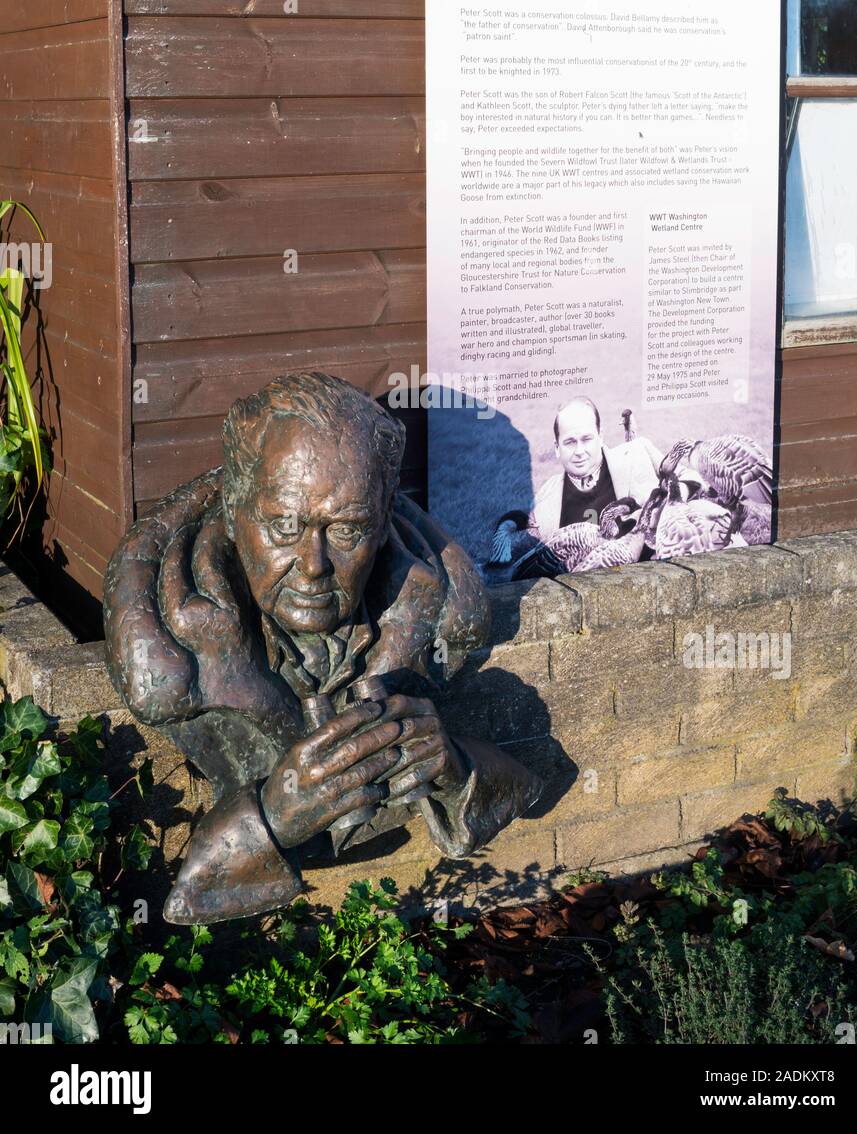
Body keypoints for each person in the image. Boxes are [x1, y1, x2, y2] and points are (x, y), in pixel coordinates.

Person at [104, 373, 541, 924]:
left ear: (383, 525)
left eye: (348, 530)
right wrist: (271, 818)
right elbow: (185, 897)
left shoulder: (436, 617)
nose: (314, 566)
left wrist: (456, 770)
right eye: (283, 526)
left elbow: (524, 786)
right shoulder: (175, 658)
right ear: (234, 512)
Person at [528, 398, 662, 543]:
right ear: (557, 448)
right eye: (570, 442)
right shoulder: (543, 502)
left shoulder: (637, 452)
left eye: (586, 439)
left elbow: (688, 478)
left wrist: (675, 499)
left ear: (600, 437)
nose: (579, 451)